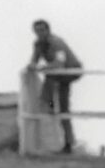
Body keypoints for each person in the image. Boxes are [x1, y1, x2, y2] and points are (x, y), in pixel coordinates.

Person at [27, 19, 83, 154]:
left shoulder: (56, 42)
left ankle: (48, 103)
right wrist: (32, 66)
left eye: (42, 30)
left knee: (51, 78)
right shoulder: (38, 44)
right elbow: (33, 61)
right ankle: (68, 142)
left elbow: (60, 63)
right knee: (63, 108)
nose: (40, 33)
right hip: (58, 75)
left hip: (70, 71)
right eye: (37, 30)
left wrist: (43, 67)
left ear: (48, 30)